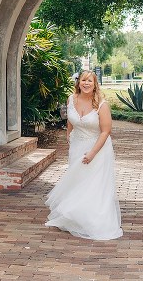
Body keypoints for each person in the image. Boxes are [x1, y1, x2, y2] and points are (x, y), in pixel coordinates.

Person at [45, 70, 123, 240]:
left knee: (92, 184)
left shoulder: (102, 105)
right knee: (77, 181)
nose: (86, 83)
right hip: (77, 145)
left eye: (90, 81)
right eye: (83, 80)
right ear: (78, 82)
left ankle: (91, 219)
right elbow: (70, 121)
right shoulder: (71, 99)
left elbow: (106, 131)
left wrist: (93, 153)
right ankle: (74, 216)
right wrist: (69, 138)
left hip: (98, 148)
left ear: (95, 84)